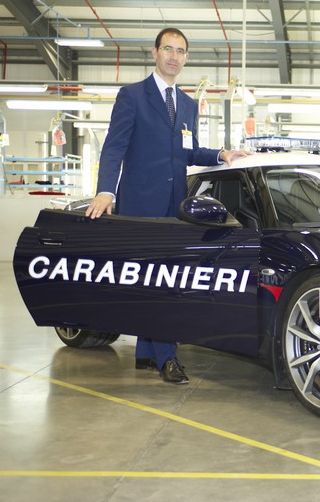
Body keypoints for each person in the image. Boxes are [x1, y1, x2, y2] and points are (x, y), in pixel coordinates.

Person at [84, 27, 250, 384]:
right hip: (140, 205)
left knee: (160, 281)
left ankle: (147, 353)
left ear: (186, 58)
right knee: (158, 284)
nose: (174, 56)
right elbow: (114, 147)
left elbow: (186, 152)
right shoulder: (131, 96)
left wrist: (221, 153)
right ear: (155, 53)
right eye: (168, 49)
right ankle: (167, 358)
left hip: (176, 207)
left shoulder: (188, 104)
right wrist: (105, 191)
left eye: (181, 51)